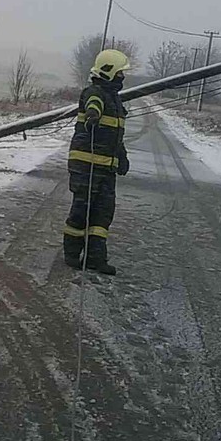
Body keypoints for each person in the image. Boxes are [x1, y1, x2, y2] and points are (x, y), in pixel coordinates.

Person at [63, 49, 131, 275]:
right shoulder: (95, 93)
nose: (123, 77)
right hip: (87, 166)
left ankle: (95, 258)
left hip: (106, 168)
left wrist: (121, 156)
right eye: (120, 73)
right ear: (109, 72)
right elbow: (92, 104)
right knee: (82, 210)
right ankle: (72, 254)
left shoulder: (116, 100)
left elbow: (115, 136)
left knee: (103, 214)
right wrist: (92, 115)